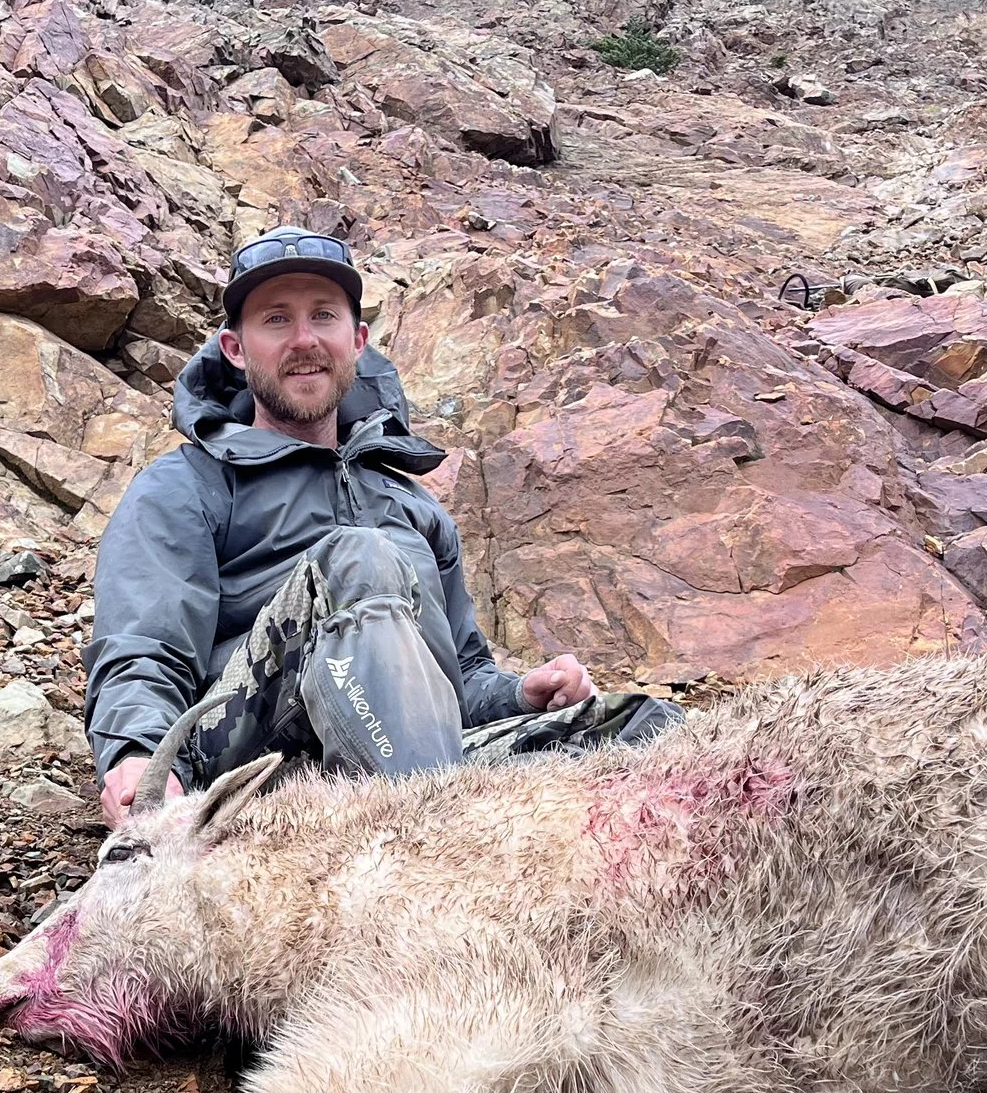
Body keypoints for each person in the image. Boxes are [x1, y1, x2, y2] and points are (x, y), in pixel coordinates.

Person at [83, 226, 677, 827]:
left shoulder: (415, 507)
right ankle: (426, 850)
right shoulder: (183, 486)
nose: (305, 339)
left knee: (641, 727)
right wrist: (135, 757)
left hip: (409, 762)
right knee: (358, 560)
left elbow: (459, 680)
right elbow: (143, 650)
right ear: (235, 349)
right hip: (247, 769)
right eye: (276, 320)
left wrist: (522, 695)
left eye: (323, 315)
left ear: (358, 339)